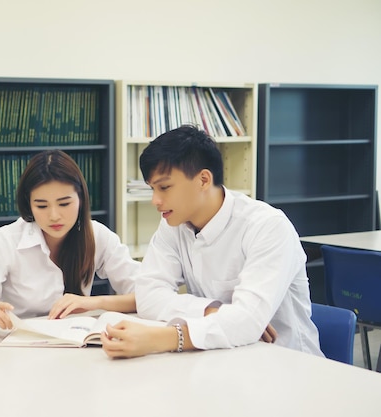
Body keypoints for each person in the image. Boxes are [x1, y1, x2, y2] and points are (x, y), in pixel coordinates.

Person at [101, 125, 323, 358]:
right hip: (220, 358)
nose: (155, 200)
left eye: (164, 187)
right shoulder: (173, 225)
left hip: (286, 364)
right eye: (152, 189)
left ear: (204, 180)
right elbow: (148, 296)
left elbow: (247, 322)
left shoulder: (267, 226)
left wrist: (162, 339)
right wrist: (213, 310)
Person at [0, 149, 139, 330]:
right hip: (19, 351)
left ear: (81, 199)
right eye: (42, 206)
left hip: (77, 346)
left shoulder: (97, 235)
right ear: (29, 205)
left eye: (64, 203)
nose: (54, 216)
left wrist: (94, 303)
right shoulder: (6, 241)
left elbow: (147, 294)